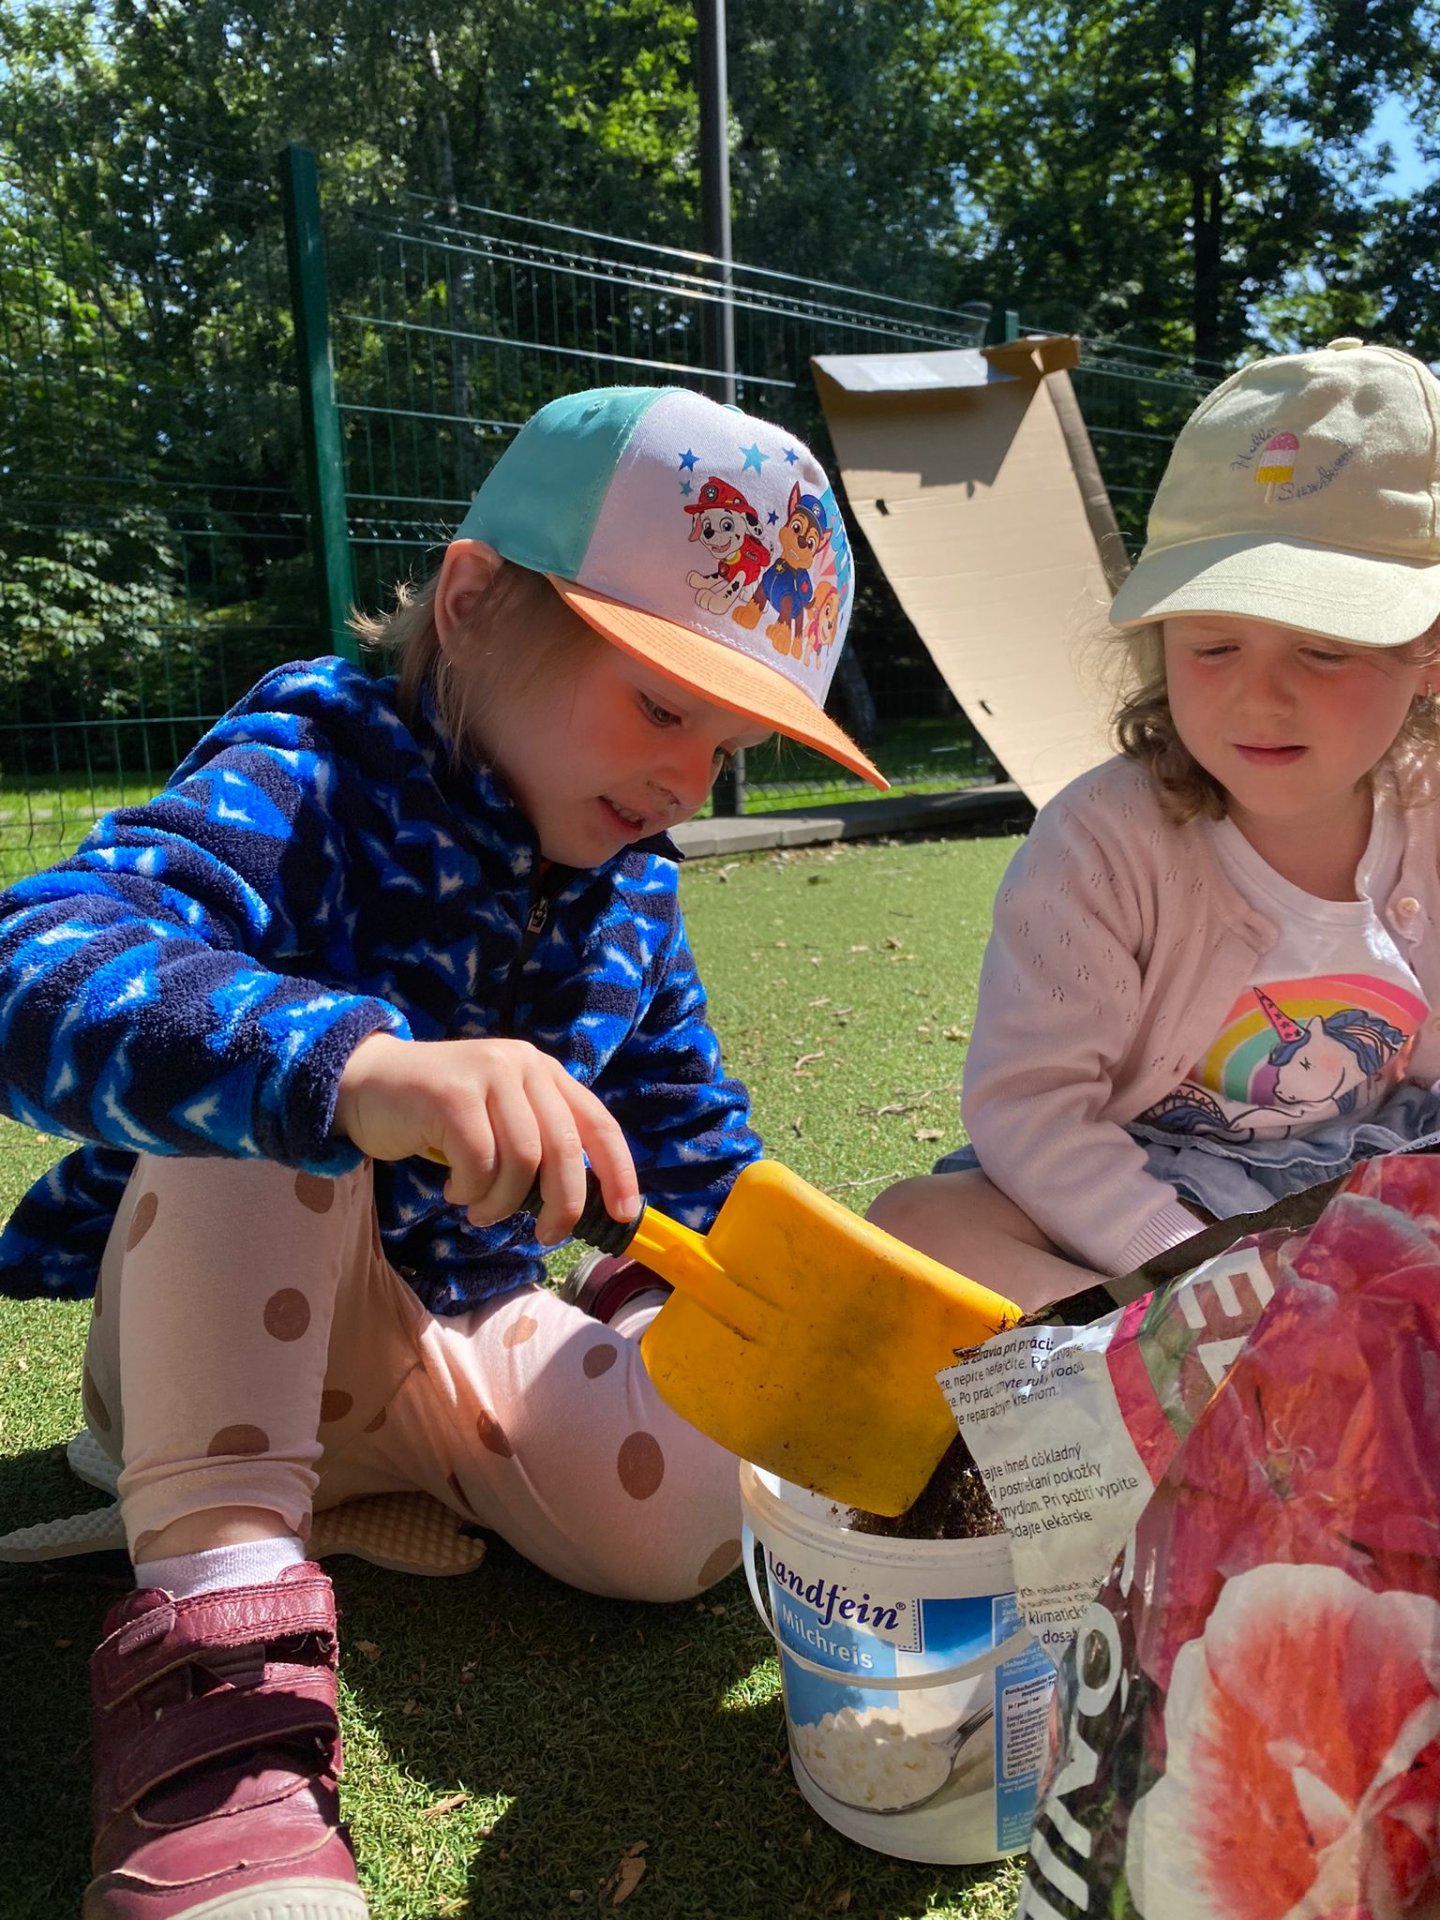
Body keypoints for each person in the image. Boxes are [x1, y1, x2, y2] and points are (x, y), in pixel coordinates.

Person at [0, 384, 883, 1920]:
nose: (691, 781)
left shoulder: (633, 885)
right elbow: (38, 962)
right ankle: (217, 1668)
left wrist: (801, 1331)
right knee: (284, 1095)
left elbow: (684, 1144)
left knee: (692, 1521)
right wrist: (365, 1066)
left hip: (455, 1342)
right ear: (472, 603)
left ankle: (349, 1498)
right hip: (214, 1320)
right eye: (661, 707)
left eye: (732, 742)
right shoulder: (313, 767)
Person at [869, 338, 1440, 1314]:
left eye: (1322, 649)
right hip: (1149, 1188)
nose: (1261, 697)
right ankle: (1180, 1372)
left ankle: (1286, 1357)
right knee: (916, 1225)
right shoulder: (1102, 842)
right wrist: (1185, 1274)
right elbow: (1033, 1108)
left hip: (1374, 1174)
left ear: (1426, 651)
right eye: (1213, 645)